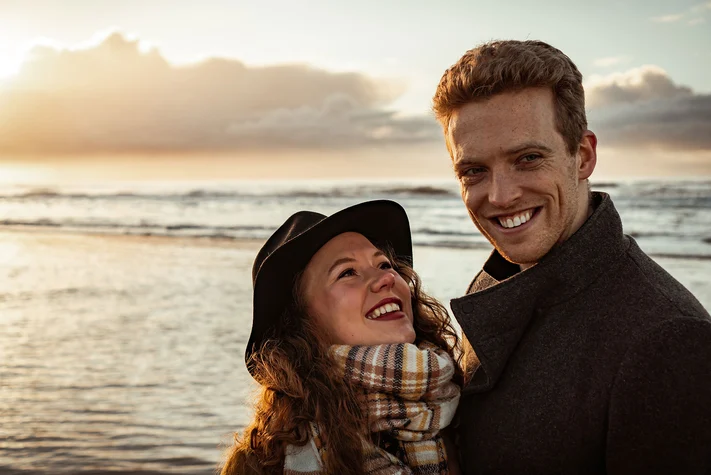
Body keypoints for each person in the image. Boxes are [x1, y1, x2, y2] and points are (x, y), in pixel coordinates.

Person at [431, 39, 711, 473]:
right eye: (474, 171)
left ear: (582, 156)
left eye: (527, 158)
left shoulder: (668, 338)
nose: (501, 196)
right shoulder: (502, 284)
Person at [221, 200, 469, 475]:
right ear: (301, 323)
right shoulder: (264, 461)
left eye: (385, 264)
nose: (386, 279)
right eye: (347, 272)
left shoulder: (474, 406)